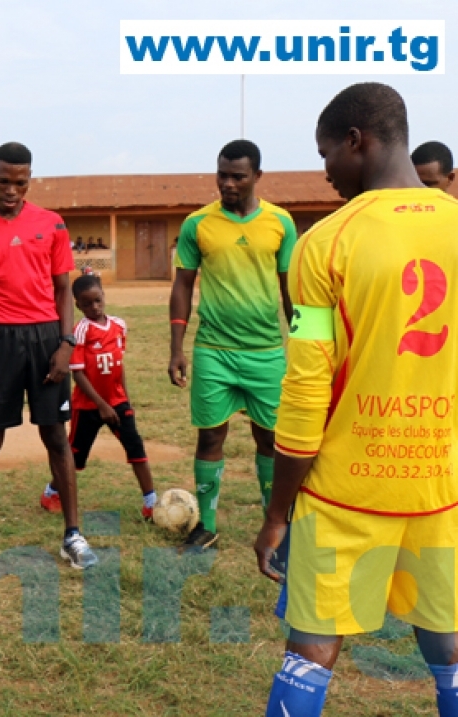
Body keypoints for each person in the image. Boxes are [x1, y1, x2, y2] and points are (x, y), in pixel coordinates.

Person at [253, 82, 458, 717]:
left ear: (356, 141)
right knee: (448, 639)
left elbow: (307, 387)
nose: (325, 172)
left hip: (347, 488)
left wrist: (277, 512)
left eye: (325, 154)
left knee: (312, 644)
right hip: (441, 484)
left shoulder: (324, 244)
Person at [0, 142, 97, 573]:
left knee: (56, 436)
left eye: (20, 182)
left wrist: (65, 344)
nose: (11, 190)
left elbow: (62, 289)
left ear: (29, 181)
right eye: (3, 180)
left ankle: (73, 534)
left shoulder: (51, 225)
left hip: (44, 339)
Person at [169, 139, 298, 550]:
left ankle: (274, 523)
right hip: (214, 352)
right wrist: (177, 347)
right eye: (222, 174)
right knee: (210, 438)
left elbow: (290, 288)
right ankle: (205, 526)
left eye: (238, 176)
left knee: (271, 440)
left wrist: (305, 343)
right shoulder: (197, 224)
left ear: (257, 176)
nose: (227, 183)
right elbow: (183, 286)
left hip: (266, 352)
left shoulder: (280, 222)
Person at [67, 274, 156, 519]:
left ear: (103, 296)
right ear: (78, 306)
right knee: (74, 456)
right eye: (87, 304)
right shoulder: (81, 330)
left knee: (135, 446)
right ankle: (52, 491)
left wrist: (125, 399)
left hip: (116, 402)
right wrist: (101, 405)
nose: (94, 307)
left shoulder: (119, 325)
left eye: (97, 300)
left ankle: (151, 502)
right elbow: (78, 375)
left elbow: (119, 365)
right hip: (88, 406)